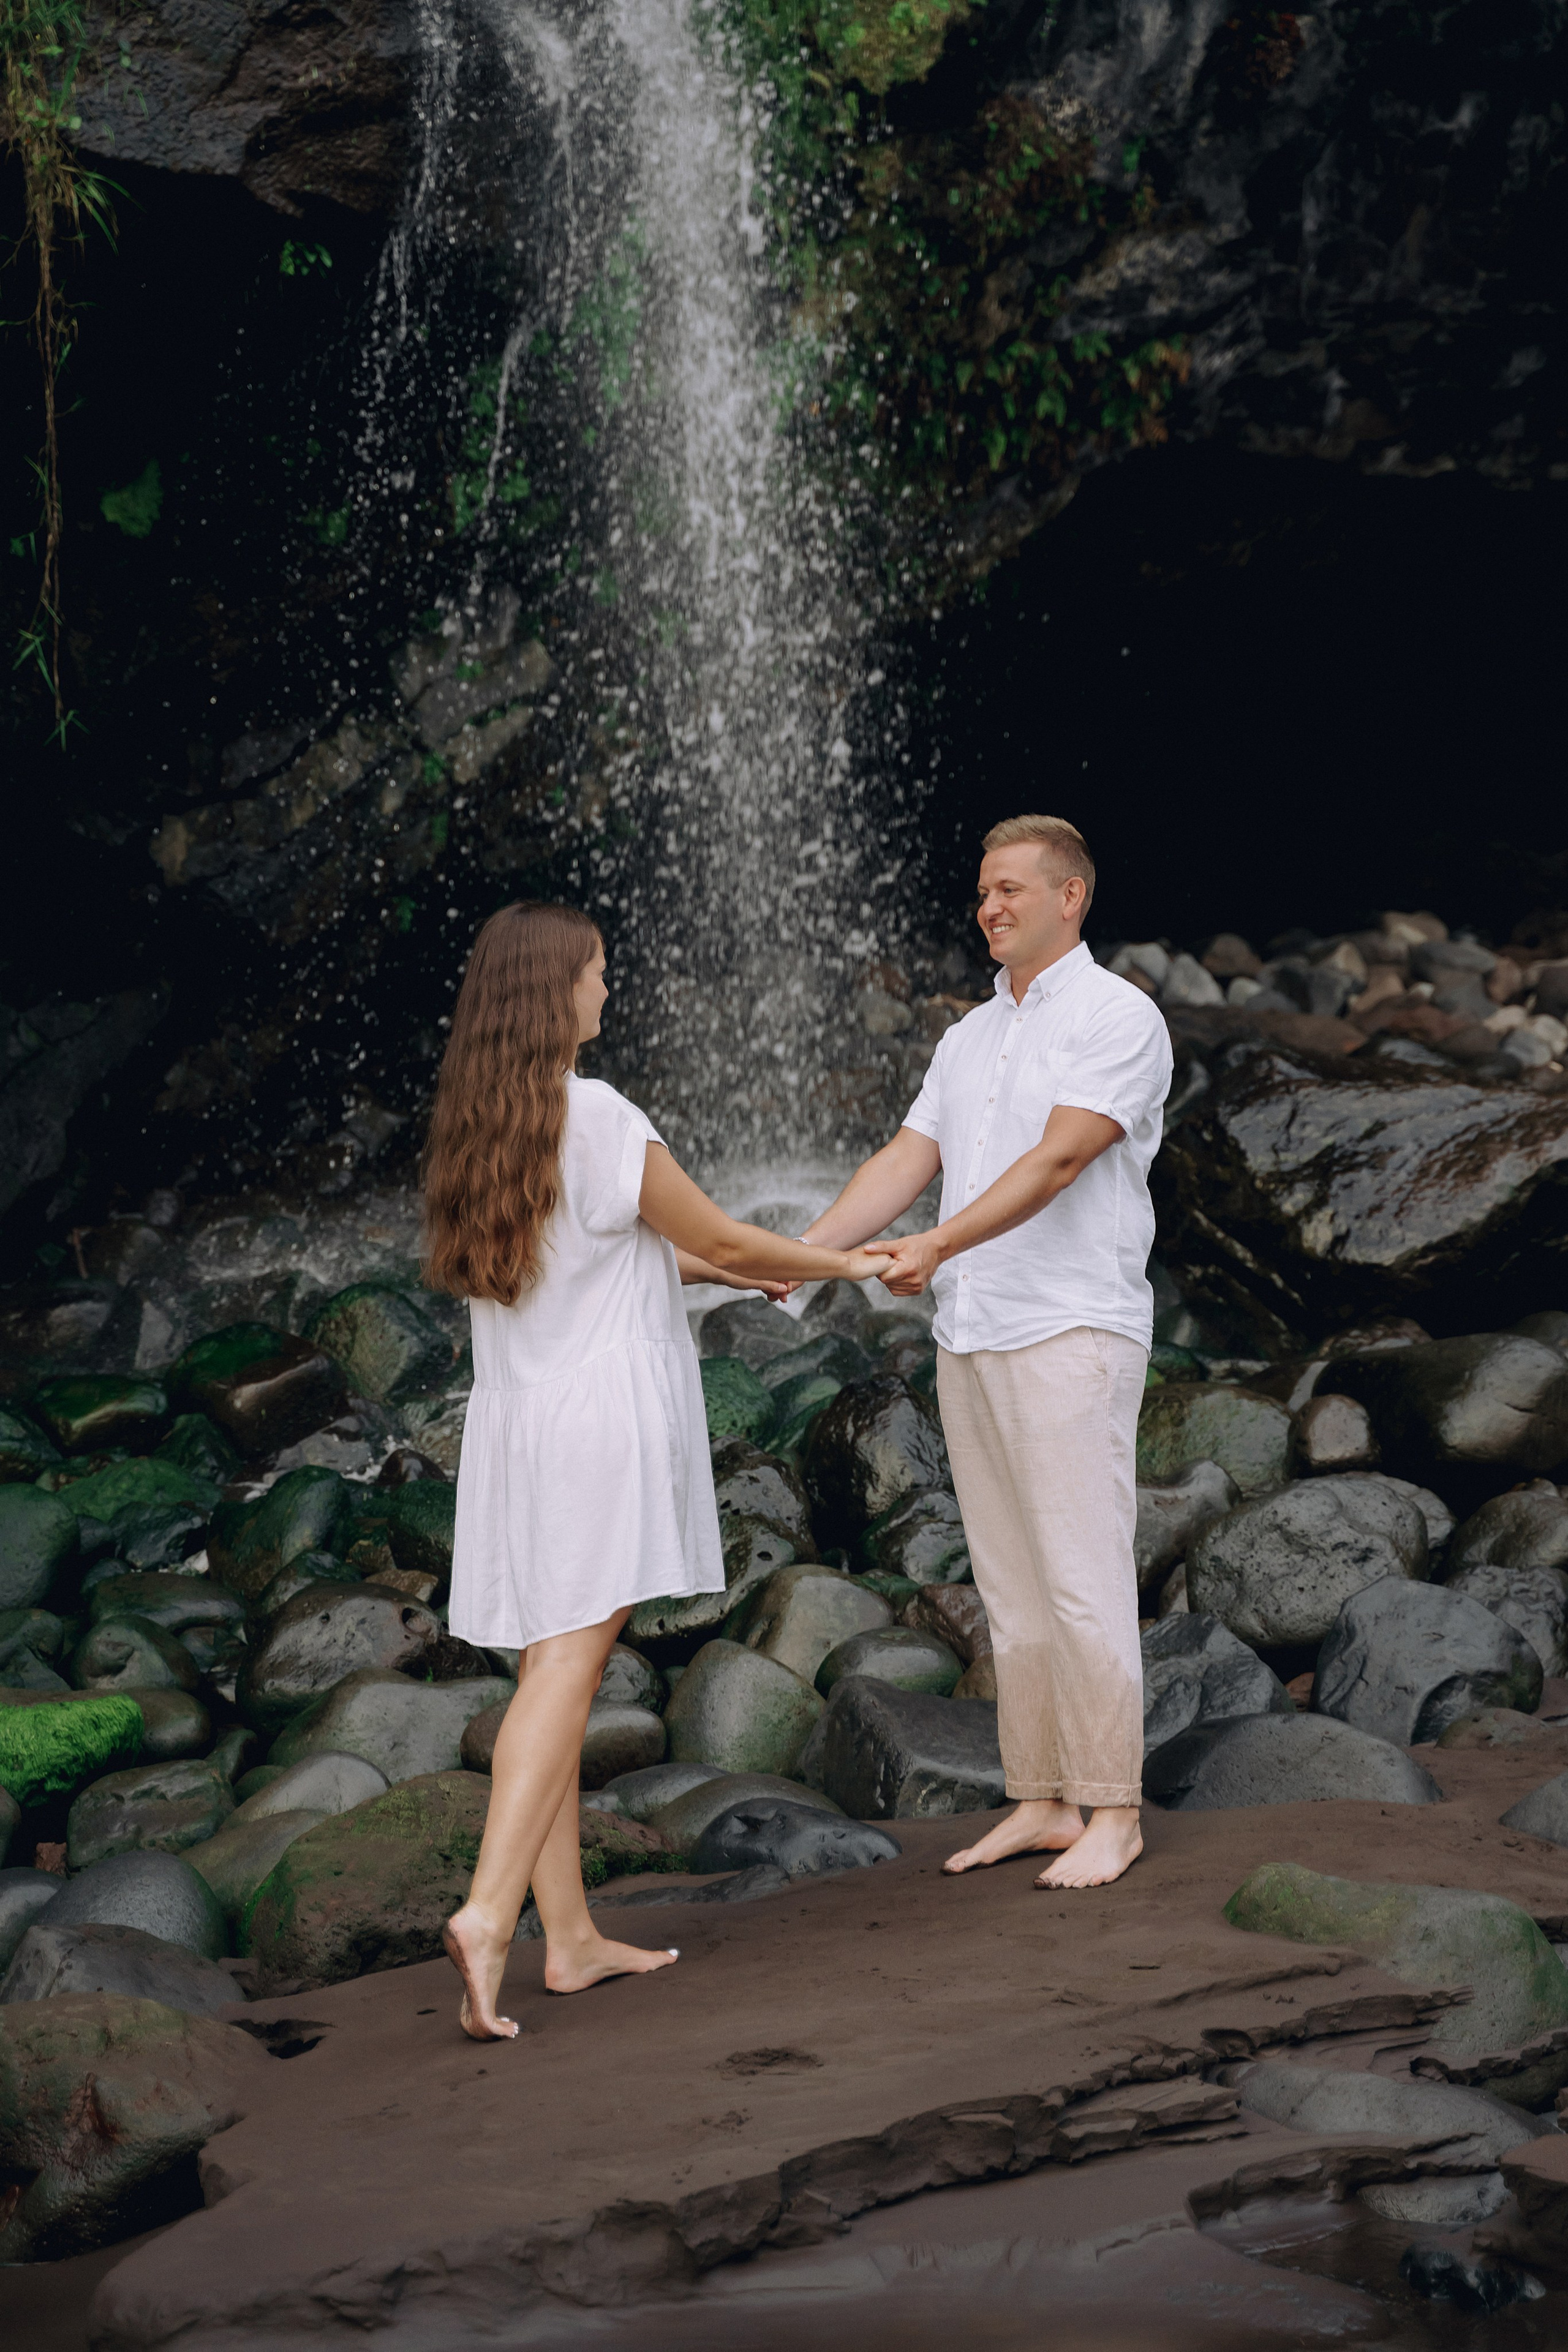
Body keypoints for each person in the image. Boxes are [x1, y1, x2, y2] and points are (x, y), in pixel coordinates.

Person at [424, 900, 892, 2040]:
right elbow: (725, 1234)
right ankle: (489, 1915)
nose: (604, 991)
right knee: (571, 1673)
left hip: (524, 1424)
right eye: (594, 974)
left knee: (553, 1666)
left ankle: (570, 1938)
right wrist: (839, 1260)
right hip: (599, 1425)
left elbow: (631, 1253)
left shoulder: (489, 1123)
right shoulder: (595, 1111)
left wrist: (748, 1279)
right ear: (553, 994)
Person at [796, 815, 1172, 1890]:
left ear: (1072, 897)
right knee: (1011, 1583)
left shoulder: (1120, 1017)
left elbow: (1059, 1161)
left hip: (1070, 1325)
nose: (991, 908)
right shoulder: (967, 1035)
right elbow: (910, 1156)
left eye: (1012, 889)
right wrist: (801, 1251)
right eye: (982, 893)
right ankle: (1045, 1798)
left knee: (1084, 1577)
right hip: (971, 1326)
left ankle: (1115, 1810)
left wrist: (937, 1243)